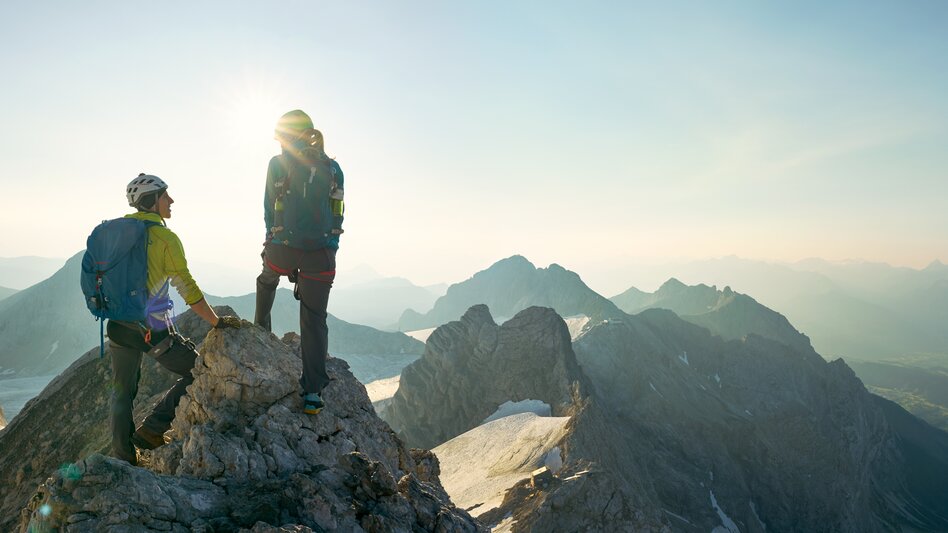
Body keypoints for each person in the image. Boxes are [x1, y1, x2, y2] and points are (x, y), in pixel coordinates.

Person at [108, 173, 241, 465]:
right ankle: (152, 431)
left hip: (118, 326)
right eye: (165, 195)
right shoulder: (165, 238)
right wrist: (217, 322)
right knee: (199, 371)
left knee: (122, 393)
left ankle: (123, 458)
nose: (171, 200)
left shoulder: (118, 235)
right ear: (152, 200)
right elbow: (188, 289)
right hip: (151, 329)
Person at [254, 110, 344, 415]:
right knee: (315, 318)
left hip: (282, 251)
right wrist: (329, 248)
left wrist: (274, 242)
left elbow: (269, 208)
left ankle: (260, 332)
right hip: (321, 257)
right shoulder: (333, 168)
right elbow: (337, 213)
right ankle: (313, 393)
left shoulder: (277, 164)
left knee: (266, 281)